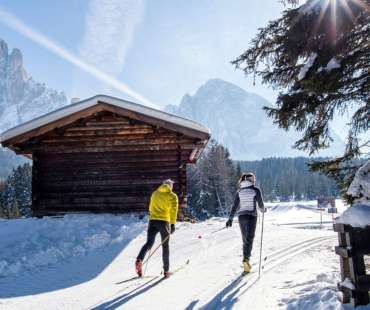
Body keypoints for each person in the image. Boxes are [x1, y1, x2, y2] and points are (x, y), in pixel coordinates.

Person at [136, 179, 178, 278]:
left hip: (152, 221)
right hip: (164, 222)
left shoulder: (154, 193)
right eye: (172, 185)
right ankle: (166, 271)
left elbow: (150, 208)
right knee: (165, 246)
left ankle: (139, 259)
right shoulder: (172, 196)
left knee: (149, 243)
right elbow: (174, 211)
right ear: (170, 186)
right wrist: (172, 224)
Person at [226, 172, 266, 273]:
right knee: (250, 238)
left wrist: (230, 219)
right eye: (253, 179)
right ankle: (246, 259)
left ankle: (246, 261)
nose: (254, 180)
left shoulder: (239, 191)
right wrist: (263, 209)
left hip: (241, 216)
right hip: (252, 216)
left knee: (245, 239)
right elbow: (260, 204)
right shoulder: (256, 190)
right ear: (249, 180)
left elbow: (234, 206)